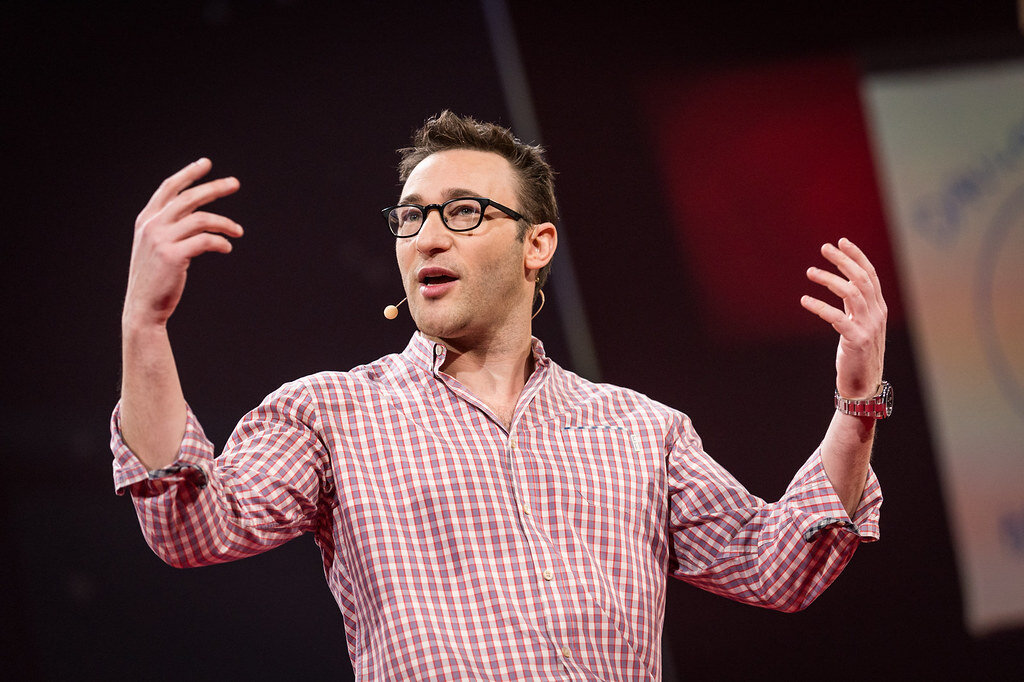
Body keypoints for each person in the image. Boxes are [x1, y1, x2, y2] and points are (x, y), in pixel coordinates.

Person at [112, 111, 887, 680]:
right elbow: (192, 529)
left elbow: (776, 567)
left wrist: (856, 402)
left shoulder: (639, 430)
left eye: (462, 213)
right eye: (409, 218)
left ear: (536, 244)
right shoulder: (331, 415)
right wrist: (145, 326)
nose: (426, 237)